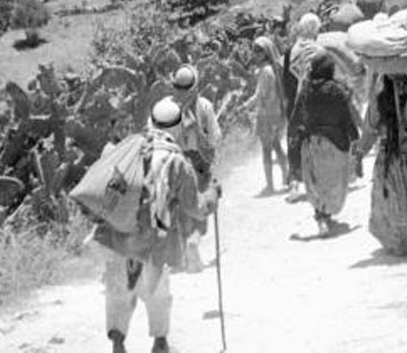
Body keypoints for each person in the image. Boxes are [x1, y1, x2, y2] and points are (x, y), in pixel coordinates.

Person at [95, 97, 221, 353]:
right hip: (155, 239)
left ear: (151, 122)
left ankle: (118, 342)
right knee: (157, 292)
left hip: (119, 235)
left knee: (118, 290)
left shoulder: (125, 149)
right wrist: (212, 196)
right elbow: (195, 208)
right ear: (178, 128)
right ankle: (159, 342)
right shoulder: (176, 161)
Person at [352, 73, 407, 255]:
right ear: (404, 82)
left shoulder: (377, 103)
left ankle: (398, 240)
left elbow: (368, 133)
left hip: (386, 160)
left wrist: (359, 155)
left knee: (393, 200)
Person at [289, 51, 360, 236]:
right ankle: (325, 213)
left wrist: (292, 136)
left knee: (315, 181)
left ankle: (321, 216)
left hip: (312, 142)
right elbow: (347, 118)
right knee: (333, 183)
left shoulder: (306, 90)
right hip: (335, 143)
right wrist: (356, 139)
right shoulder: (336, 90)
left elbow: (295, 117)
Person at [168, 64, 221, 270]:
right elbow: (215, 137)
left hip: (175, 164)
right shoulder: (204, 106)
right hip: (199, 164)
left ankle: (182, 258)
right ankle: (193, 242)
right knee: (202, 206)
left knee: (181, 208)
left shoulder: (167, 108)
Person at [281, 13, 324, 203]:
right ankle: (318, 181)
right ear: (315, 30)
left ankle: (294, 184)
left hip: (295, 103)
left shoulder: (290, 51)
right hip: (315, 103)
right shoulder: (318, 50)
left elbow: (286, 82)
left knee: (294, 141)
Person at [240, 36, 289, 195]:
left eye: (258, 51)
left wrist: (246, 105)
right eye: (254, 50)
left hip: (266, 115)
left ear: (265, 53)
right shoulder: (271, 69)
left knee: (266, 150)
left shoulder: (265, 71)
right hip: (275, 112)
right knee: (276, 146)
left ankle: (270, 185)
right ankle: (286, 177)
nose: (254, 53)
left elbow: (260, 95)